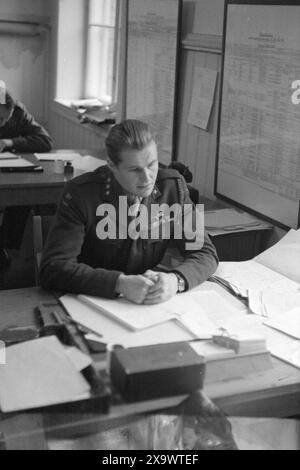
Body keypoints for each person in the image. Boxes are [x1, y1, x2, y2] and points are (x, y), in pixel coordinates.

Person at [40, 119, 218, 304]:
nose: (147, 178)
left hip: (146, 305)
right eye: (134, 169)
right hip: (90, 301)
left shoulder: (173, 189)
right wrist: (120, 283)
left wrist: (176, 280)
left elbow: (204, 252)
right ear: (112, 165)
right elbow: (54, 268)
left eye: (151, 164)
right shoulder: (81, 194)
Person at [0, 88, 53, 269]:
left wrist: (10, 142)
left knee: (22, 196)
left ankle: (10, 249)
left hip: (8, 171)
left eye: (7, 119)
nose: (3, 124)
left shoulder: (18, 112)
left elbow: (45, 141)